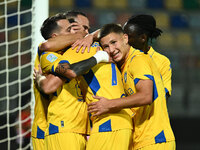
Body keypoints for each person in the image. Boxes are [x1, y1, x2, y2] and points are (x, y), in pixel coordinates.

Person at [36, 11, 134, 150]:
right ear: (55, 37)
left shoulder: (88, 47)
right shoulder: (53, 55)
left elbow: (115, 28)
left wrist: (90, 37)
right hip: (63, 126)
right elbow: (50, 83)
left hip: (89, 127)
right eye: (72, 29)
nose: (85, 32)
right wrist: (99, 56)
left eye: (88, 29)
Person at [88, 23, 175, 150]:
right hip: (139, 140)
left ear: (125, 38)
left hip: (155, 140)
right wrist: (89, 37)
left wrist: (108, 104)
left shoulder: (138, 60)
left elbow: (146, 96)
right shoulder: (124, 65)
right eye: (106, 46)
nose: (111, 49)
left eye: (114, 42)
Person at [123, 14, 172, 99]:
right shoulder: (122, 57)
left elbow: (163, 97)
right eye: (123, 36)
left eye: (129, 37)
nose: (125, 40)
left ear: (143, 38)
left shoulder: (162, 61)